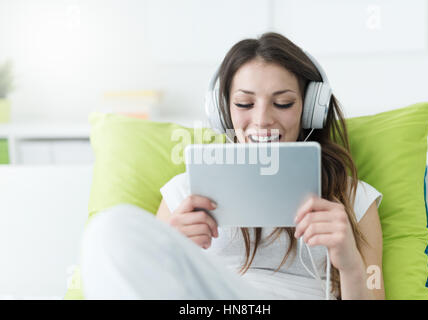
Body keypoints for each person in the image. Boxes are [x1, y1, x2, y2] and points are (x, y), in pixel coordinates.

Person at [80, 32, 385, 300]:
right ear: (222, 112)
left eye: (283, 103)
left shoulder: (352, 198)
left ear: (310, 110)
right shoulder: (185, 193)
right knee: (109, 228)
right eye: (244, 104)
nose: (263, 119)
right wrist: (168, 249)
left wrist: (350, 264)